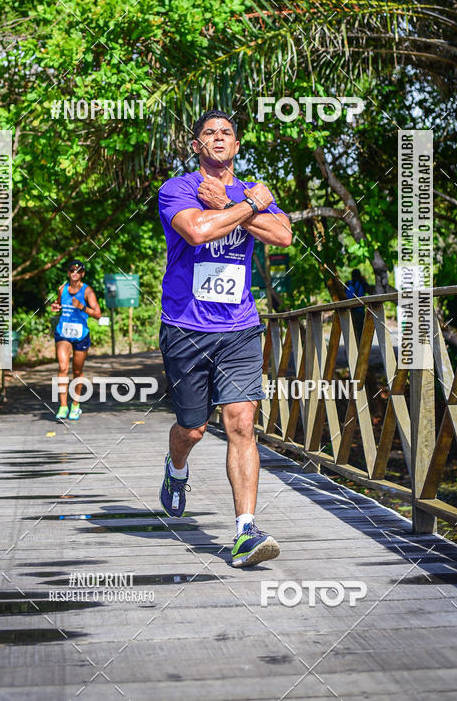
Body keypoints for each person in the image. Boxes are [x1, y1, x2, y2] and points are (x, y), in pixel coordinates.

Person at [157, 110, 292, 568]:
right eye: (209, 133)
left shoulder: (248, 192)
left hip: (238, 327)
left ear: (236, 146)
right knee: (193, 428)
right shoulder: (176, 189)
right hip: (185, 328)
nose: (218, 138)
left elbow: (284, 234)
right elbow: (196, 231)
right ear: (198, 146)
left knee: (240, 423)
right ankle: (176, 471)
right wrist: (247, 207)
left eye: (226, 133)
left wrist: (238, 205)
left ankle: (245, 531)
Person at [50, 260, 101, 421]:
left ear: (82, 274)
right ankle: (63, 406)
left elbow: (97, 314)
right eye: (72, 270)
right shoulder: (62, 289)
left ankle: (75, 405)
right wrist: (56, 306)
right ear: (68, 272)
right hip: (63, 332)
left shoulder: (88, 292)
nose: (75, 273)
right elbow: (58, 304)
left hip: (81, 334)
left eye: (78, 271)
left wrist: (82, 307)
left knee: (77, 371)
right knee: (63, 367)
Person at [345, 268, 371, 342]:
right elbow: (369, 290)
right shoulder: (362, 283)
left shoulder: (347, 283)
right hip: (359, 311)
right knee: (360, 332)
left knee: (351, 332)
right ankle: (359, 348)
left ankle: (351, 348)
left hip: (349, 311)